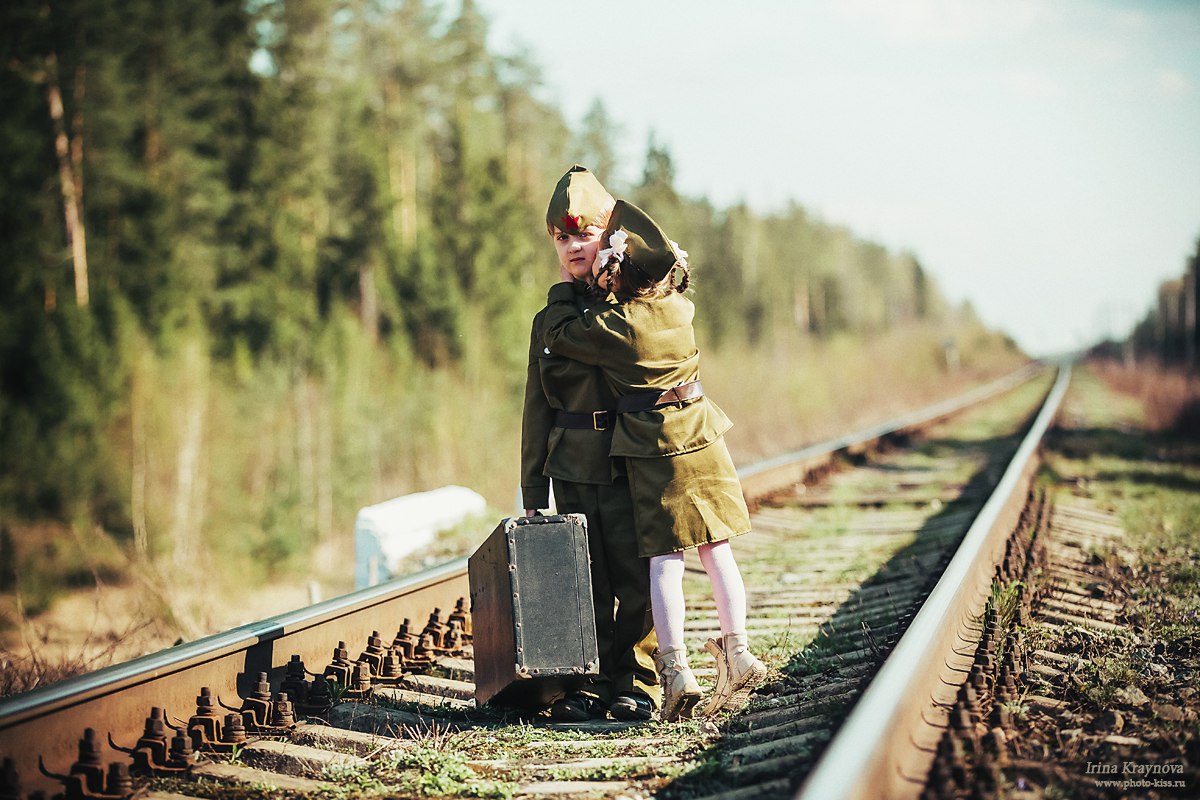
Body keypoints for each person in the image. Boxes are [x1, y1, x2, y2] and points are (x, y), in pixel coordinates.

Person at [540, 199, 768, 720]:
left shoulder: (616, 326)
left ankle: (675, 669)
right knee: (718, 552)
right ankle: (738, 652)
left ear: (616, 280)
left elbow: (559, 335)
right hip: (706, 436)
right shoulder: (682, 311)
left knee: (664, 563)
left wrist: (582, 292)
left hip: (656, 447)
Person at [521, 166, 661, 722]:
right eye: (563, 236)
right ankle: (590, 684)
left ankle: (639, 683)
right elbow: (537, 405)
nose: (575, 246)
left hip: (629, 458)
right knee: (586, 580)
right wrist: (532, 484)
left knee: (636, 576)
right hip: (572, 464)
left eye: (584, 234)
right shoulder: (548, 321)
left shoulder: (635, 307)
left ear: (607, 235)